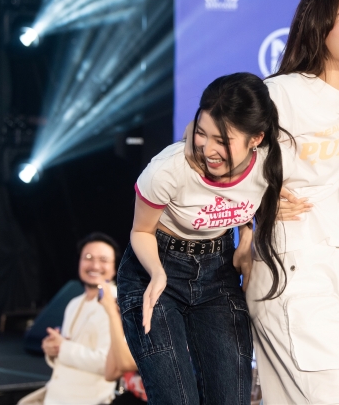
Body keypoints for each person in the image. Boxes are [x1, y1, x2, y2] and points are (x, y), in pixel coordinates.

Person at [244, 0, 339, 405]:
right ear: (319, 27)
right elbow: (206, 145)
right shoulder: (281, 92)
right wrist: (255, 204)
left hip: (331, 272)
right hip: (292, 274)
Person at [117, 73, 285, 405]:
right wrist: (157, 273)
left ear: (256, 139)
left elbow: (245, 203)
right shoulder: (168, 169)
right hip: (155, 270)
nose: (208, 150)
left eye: (222, 140)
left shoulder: (269, 163)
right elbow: (141, 231)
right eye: (201, 133)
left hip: (218, 273)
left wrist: (246, 239)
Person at [18, 233, 119, 405]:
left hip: (89, 400)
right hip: (55, 395)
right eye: (88, 257)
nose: (95, 265)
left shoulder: (117, 304)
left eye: (103, 260)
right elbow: (66, 351)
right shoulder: (74, 303)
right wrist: (53, 349)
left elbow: (109, 364)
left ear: (115, 267)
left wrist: (62, 347)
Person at [97, 282, 145, 404]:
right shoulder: (139, 328)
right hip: (131, 398)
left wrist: (112, 313)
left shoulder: (170, 326)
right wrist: (118, 317)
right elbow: (110, 373)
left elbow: (125, 364)